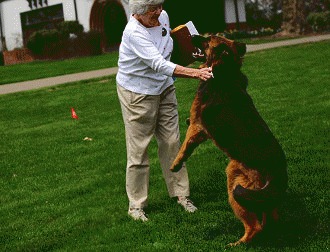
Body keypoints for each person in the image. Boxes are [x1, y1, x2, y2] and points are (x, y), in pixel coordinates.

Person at [116, 0, 213, 222]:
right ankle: (136, 206)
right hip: (138, 93)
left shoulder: (162, 16)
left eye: (160, 5)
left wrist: (194, 54)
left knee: (172, 142)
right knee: (139, 150)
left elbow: (169, 44)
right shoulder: (134, 33)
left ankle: (181, 195)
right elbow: (158, 63)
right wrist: (195, 74)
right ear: (139, 13)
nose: (159, 12)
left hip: (164, 87)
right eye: (153, 9)